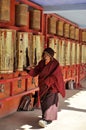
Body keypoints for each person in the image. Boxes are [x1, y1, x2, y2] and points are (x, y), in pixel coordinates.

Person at [26, 47, 65, 128]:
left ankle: (47, 120)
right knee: (44, 102)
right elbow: (36, 71)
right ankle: (45, 117)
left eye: (47, 55)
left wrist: (47, 82)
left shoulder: (55, 64)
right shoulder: (41, 63)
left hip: (51, 86)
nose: (45, 56)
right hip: (43, 86)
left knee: (49, 102)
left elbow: (56, 76)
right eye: (44, 54)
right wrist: (28, 70)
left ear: (51, 56)